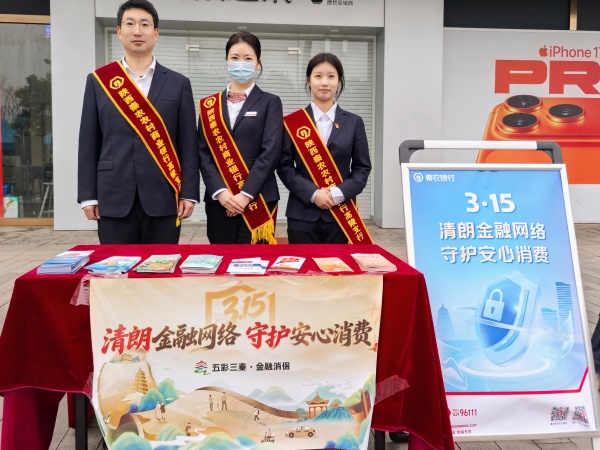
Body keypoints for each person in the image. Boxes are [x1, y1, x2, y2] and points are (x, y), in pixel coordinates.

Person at [78, 0, 199, 244]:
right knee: (114, 266)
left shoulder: (178, 84)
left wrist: (189, 193)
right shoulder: (99, 81)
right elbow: (89, 141)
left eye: (145, 24)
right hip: (113, 196)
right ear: (119, 31)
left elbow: (188, 144)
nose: (137, 31)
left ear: (156, 33)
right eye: (130, 24)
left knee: (162, 266)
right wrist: (88, 196)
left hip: (164, 196)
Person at [277, 53, 372, 244]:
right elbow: (284, 166)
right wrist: (314, 194)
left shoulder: (353, 122)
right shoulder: (292, 122)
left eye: (331, 76)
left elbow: (362, 168)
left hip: (341, 214)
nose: (324, 82)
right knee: (302, 263)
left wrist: (337, 194)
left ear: (339, 81)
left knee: (339, 263)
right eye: (318, 76)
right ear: (309, 80)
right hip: (302, 214)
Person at [198, 31, 282, 244]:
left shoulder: (270, 102)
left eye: (248, 58)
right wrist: (221, 192)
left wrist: (245, 195)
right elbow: (203, 153)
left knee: (256, 261)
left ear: (258, 63)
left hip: (258, 198)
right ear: (227, 60)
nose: (241, 64)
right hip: (220, 201)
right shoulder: (209, 105)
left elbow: (271, 152)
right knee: (222, 258)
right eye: (235, 58)